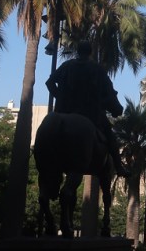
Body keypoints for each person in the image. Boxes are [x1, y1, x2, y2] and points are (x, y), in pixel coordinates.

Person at [45, 40, 128, 177]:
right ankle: (119, 167)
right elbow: (110, 94)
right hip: (90, 114)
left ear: (77, 51)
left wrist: (60, 97)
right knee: (110, 135)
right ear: (90, 52)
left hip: (63, 111)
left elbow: (49, 83)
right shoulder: (97, 69)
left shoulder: (66, 65)